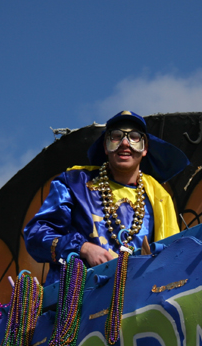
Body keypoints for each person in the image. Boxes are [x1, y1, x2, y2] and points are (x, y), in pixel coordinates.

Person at [24, 110, 189, 285]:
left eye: (134, 137)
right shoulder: (74, 183)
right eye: (116, 136)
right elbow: (36, 235)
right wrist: (83, 248)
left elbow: (173, 256)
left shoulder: (159, 197)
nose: (125, 143)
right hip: (80, 299)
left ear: (145, 148)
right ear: (105, 146)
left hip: (139, 300)